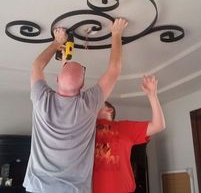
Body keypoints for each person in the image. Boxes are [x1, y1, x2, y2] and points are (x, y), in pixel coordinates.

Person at [23, 18, 128, 193]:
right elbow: (114, 70)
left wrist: (57, 42)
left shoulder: (45, 99)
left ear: (57, 80)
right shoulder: (87, 103)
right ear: (83, 86)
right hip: (41, 188)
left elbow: (37, 66)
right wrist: (116, 34)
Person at [93, 75, 166, 193]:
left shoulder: (124, 127)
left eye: (98, 104)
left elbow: (159, 125)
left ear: (109, 110)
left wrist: (152, 95)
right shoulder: (85, 127)